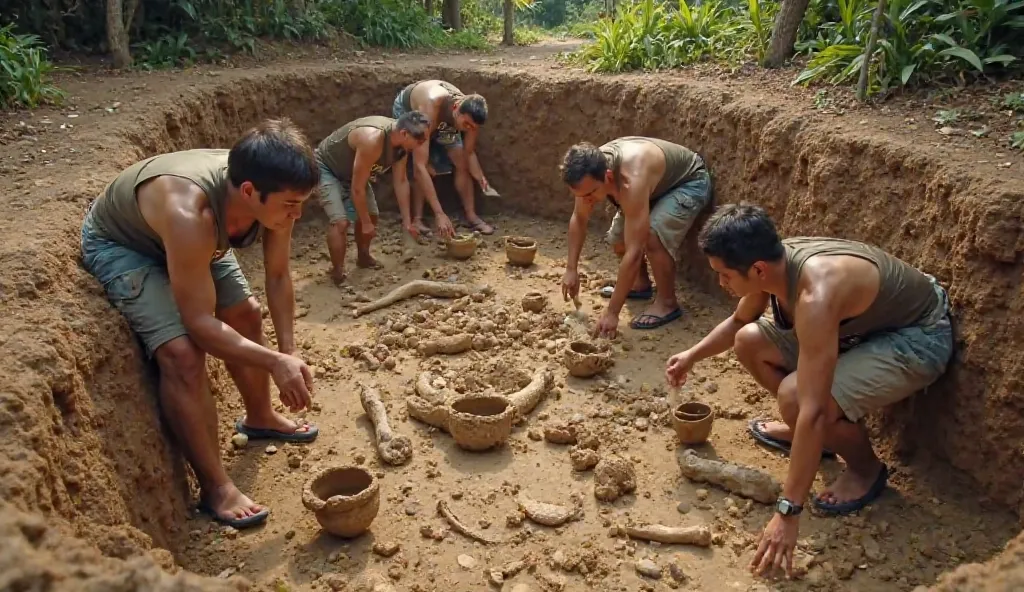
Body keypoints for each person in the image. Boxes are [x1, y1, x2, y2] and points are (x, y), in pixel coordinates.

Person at [664, 203, 954, 578]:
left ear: (756, 270)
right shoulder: (772, 264)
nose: (721, 283)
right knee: (750, 341)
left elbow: (812, 407)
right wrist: (692, 355)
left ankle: (866, 469)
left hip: (918, 338)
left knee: (798, 400)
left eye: (723, 275)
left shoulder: (815, 295)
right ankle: (821, 440)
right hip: (865, 330)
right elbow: (740, 319)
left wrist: (788, 512)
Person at [79, 119, 322, 530]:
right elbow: (198, 323)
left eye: (302, 203)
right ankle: (216, 488)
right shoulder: (192, 213)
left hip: (195, 244)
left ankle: (260, 416)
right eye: (291, 205)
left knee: (245, 312)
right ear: (249, 192)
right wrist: (273, 363)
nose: (297, 214)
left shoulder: (276, 193)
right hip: (127, 245)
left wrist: (287, 352)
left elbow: (278, 276)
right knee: (182, 355)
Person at [559, 136, 712, 337]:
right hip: (654, 187)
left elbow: (635, 251)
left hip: (688, 183)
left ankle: (667, 303)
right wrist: (571, 269)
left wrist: (612, 312)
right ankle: (640, 285)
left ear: (608, 177)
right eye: (580, 196)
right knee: (617, 239)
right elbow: (579, 218)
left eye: (590, 194)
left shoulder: (631, 180)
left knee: (650, 237)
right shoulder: (587, 174)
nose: (586, 201)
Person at [315, 111, 440, 284]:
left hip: (354, 173)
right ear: (404, 133)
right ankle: (337, 271)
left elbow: (401, 181)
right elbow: (357, 189)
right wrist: (364, 223)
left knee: (372, 215)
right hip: (327, 168)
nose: (421, 145)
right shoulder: (372, 139)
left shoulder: (402, 146)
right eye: (419, 140)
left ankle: (363, 257)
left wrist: (407, 222)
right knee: (341, 222)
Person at [392, 79, 497, 236]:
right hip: (411, 112)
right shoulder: (431, 105)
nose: (469, 129)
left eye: (473, 128)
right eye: (467, 125)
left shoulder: (471, 117)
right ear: (456, 108)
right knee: (423, 165)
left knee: (461, 162)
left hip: (444, 121)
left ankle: (471, 215)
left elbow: (468, 153)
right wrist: (439, 214)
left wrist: (482, 179)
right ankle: (418, 219)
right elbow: (419, 166)